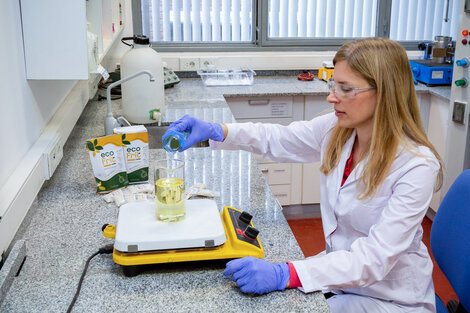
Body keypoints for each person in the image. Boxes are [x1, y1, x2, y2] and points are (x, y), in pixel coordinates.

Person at [163, 37, 444, 313]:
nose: (331, 96)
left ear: (384, 93)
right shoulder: (338, 130)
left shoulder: (416, 166)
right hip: (342, 277)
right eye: (333, 85)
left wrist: (285, 274)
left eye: (346, 89)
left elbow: (373, 259)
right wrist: (217, 130)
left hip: (390, 298)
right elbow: (278, 139)